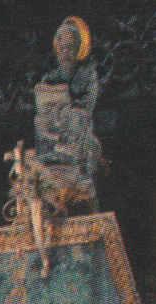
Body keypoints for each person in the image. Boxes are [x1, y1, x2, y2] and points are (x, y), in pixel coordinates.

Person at [35, 17, 102, 186]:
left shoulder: (88, 74)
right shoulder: (50, 78)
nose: (66, 52)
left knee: (76, 119)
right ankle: (49, 167)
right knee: (40, 122)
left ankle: (75, 168)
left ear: (79, 48)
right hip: (53, 122)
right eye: (62, 48)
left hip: (77, 123)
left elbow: (88, 103)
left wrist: (69, 108)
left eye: (70, 47)